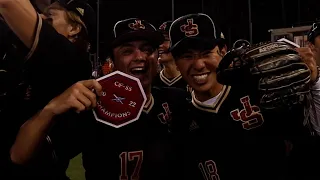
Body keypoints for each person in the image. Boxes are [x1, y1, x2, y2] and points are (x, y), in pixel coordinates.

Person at [168, 13, 318, 180]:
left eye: (206, 53)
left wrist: (313, 84)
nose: (198, 64)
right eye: (187, 56)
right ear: (176, 62)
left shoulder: (260, 91)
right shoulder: (178, 120)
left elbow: (310, 140)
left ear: (223, 51)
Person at [81, 18, 188, 180]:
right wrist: (52, 109)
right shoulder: (92, 108)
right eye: (127, 51)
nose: (140, 57)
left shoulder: (178, 101)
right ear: (112, 62)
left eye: (147, 50)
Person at [0, 0, 96, 179]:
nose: (41, 18)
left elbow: (8, 3)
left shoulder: (72, 61)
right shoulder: (26, 57)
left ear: (74, 29)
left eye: (50, 18)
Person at [152, 21, 188, 90]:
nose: (159, 45)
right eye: (157, 41)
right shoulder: (150, 81)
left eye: (165, 40)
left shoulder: (192, 81)